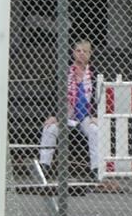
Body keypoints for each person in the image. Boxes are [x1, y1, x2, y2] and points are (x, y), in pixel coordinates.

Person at [39, 39, 99, 177]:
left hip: (86, 116)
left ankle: (96, 169)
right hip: (66, 115)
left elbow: (100, 97)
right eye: (78, 51)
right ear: (73, 53)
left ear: (90, 54)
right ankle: (44, 166)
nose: (81, 54)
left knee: (95, 130)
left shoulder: (95, 74)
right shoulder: (64, 72)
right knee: (50, 128)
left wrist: (96, 115)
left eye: (85, 51)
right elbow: (52, 95)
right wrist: (53, 115)